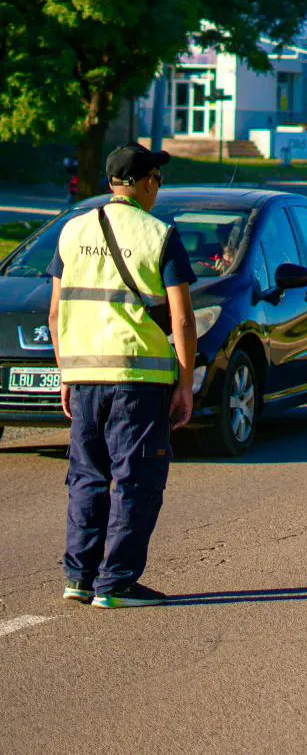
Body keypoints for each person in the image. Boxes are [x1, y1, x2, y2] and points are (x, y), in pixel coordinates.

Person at [47, 143, 197, 609]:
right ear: (148, 181)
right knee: (136, 478)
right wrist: (186, 382)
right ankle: (116, 584)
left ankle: (79, 577)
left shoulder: (71, 231)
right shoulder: (160, 235)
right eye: (159, 180)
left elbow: (56, 314)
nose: (160, 188)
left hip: (85, 374)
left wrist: (67, 372)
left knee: (87, 477)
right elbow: (183, 320)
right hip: (139, 379)